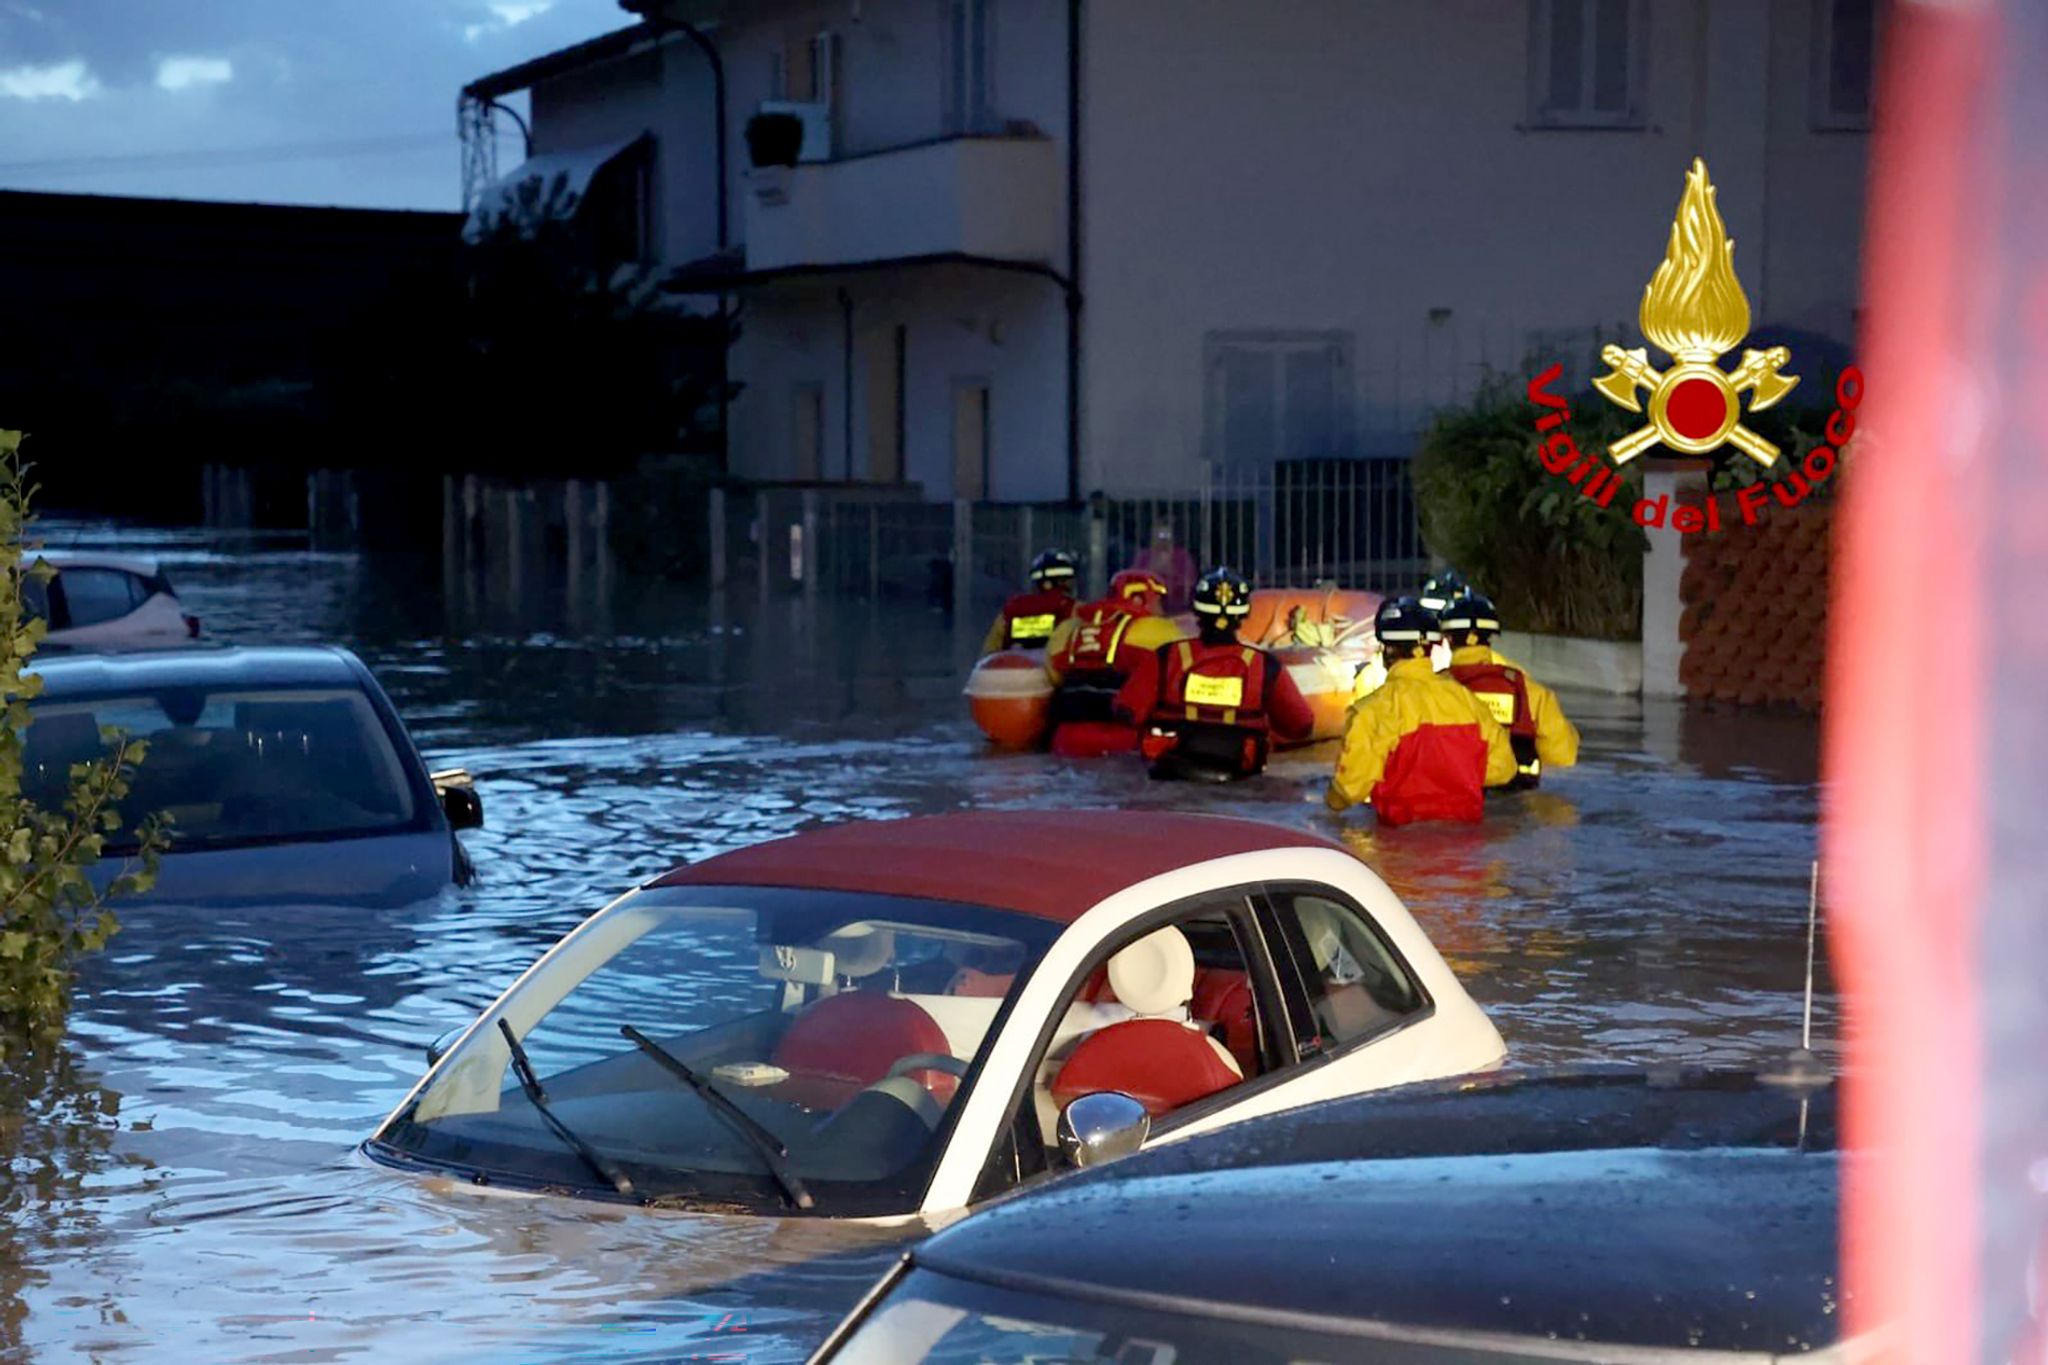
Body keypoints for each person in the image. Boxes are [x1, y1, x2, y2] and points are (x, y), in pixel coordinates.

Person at [1326, 596, 1516, 825]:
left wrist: (1328, 804)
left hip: (1397, 842)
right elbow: (1504, 769)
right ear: (1429, 648)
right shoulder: (1467, 701)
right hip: (1468, 845)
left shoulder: (1370, 711)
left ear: (1386, 649)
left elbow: (1350, 788)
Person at [1116, 567, 1315, 781]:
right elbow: (1301, 726)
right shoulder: (1265, 665)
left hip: (1171, 776)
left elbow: (1126, 712)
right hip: (1239, 779)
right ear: (1243, 615)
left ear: (1196, 612)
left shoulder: (1166, 656)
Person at [1439, 591, 1579, 789]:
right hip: (1518, 797)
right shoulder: (1532, 692)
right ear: (1490, 637)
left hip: (1457, 795)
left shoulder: (1432, 690)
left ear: (1447, 638)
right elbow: (1563, 757)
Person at [1043, 569, 1182, 757]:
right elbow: (1180, 675)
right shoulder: (1158, 630)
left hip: (1065, 738)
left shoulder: (1068, 628)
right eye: (1158, 601)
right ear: (1140, 599)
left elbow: (1053, 678)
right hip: (1123, 739)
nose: (1162, 610)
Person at [981, 549, 1080, 654]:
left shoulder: (1013, 609)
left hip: (1012, 666)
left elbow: (990, 651)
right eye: (1070, 580)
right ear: (1062, 581)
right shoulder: (1073, 609)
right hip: (1053, 668)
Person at [1127, 518, 1198, 613]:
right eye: (1159, 535)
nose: (1163, 540)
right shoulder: (1144, 556)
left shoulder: (1182, 557)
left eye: (1166, 535)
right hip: (1146, 607)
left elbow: (1189, 584)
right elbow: (1133, 579)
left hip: (1179, 609)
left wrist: (1170, 574)